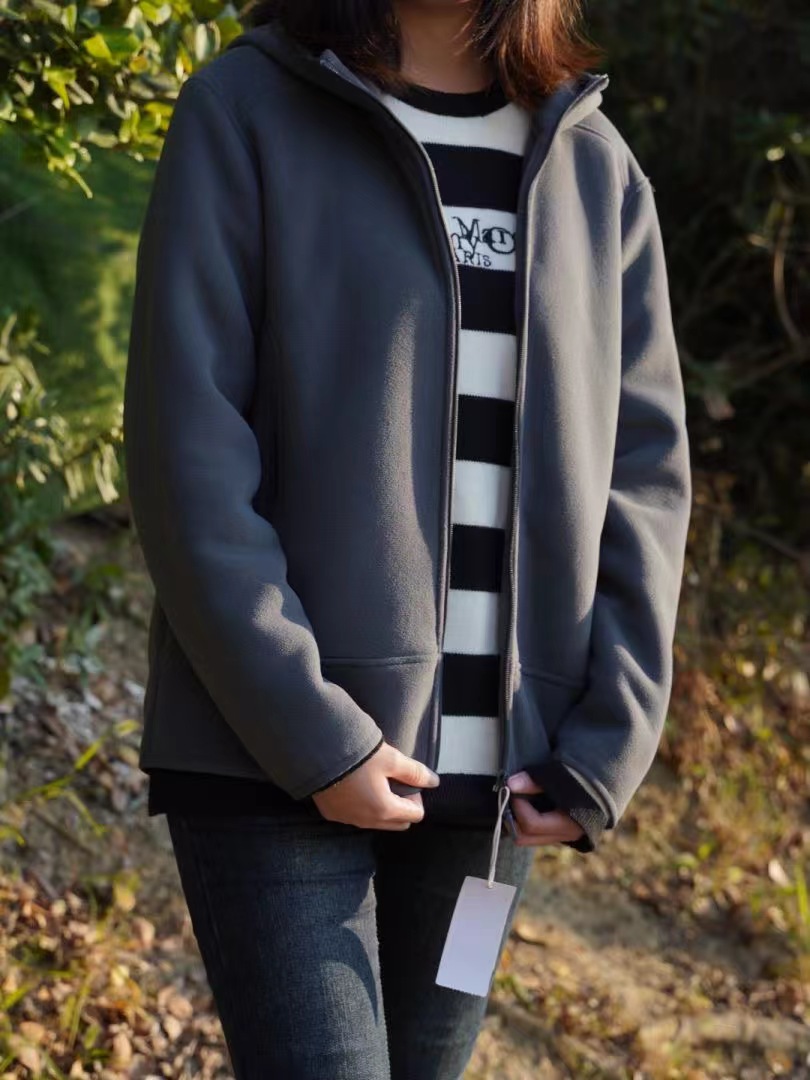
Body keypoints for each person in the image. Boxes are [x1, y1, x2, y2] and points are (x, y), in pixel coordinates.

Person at [122, 0, 692, 1076]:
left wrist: (607, 742)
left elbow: (645, 478)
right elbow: (183, 451)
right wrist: (314, 735)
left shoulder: (596, 169)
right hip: (273, 764)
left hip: (497, 802)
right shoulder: (243, 110)